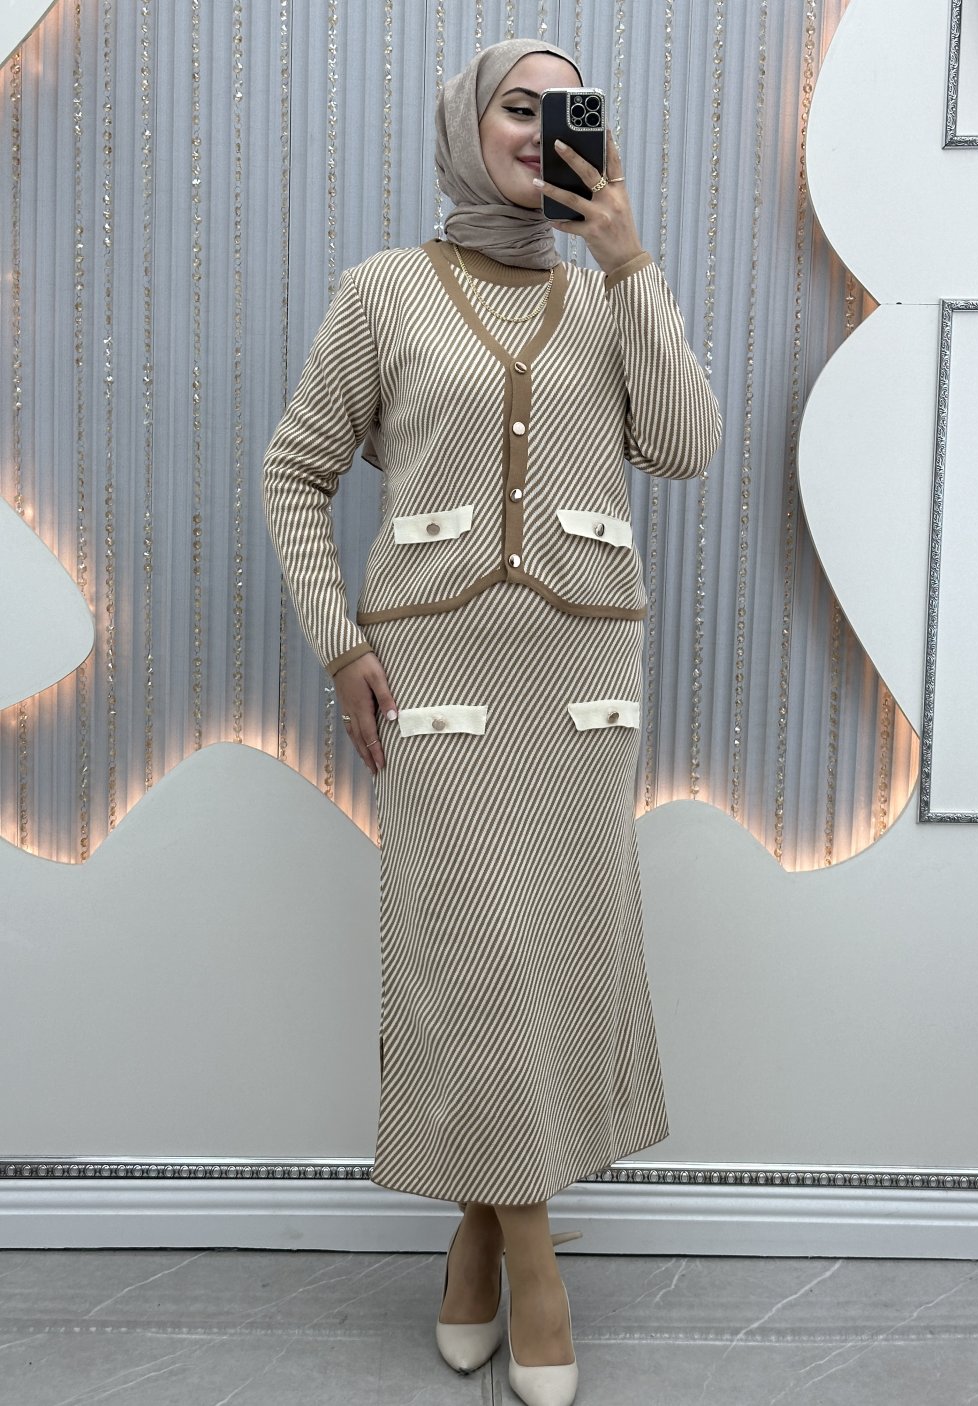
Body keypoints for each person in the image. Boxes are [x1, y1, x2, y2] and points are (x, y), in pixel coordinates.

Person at [262, 36, 721, 1406]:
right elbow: (293, 472)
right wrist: (340, 641)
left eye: (562, 110)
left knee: (554, 955)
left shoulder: (607, 296)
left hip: (583, 685)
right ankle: (534, 1256)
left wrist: (628, 258)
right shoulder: (383, 292)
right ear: (470, 124)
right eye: (518, 106)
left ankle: (476, 1237)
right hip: (439, 677)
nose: (538, 129)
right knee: (467, 954)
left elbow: (686, 445)